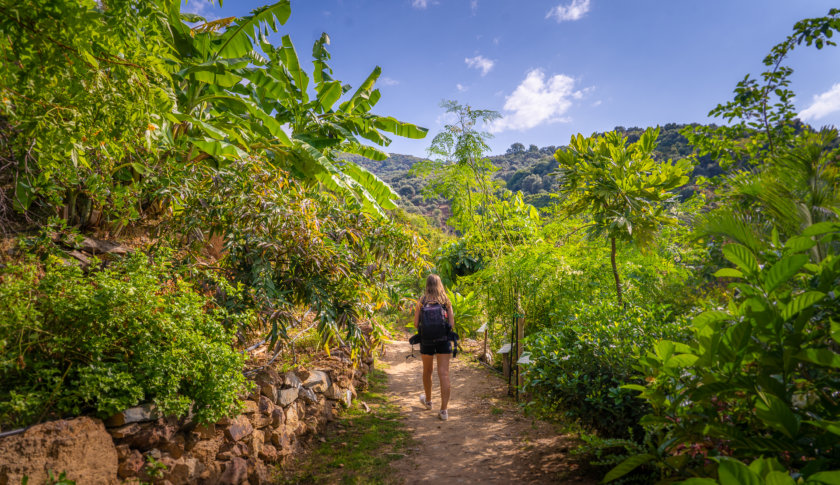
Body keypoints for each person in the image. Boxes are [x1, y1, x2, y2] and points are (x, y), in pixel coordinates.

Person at [413, 274, 454, 421]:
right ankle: (444, 411)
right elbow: (452, 324)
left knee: (427, 370)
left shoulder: (422, 301)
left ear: (427, 285)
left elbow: (416, 324)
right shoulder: (446, 301)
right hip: (443, 340)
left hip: (427, 341)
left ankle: (428, 401)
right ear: (439, 284)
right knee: (444, 374)